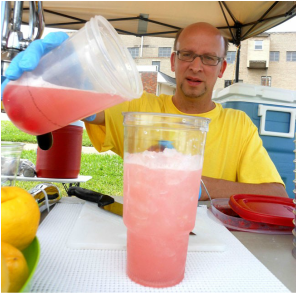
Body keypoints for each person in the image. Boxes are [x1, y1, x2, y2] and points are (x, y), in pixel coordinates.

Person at [4, 22, 288, 200]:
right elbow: (76, 98)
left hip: (216, 246)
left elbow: (275, 193)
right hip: (143, 230)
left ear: (222, 68)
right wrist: (54, 68)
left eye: (209, 58)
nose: (196, 66)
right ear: (174, 61)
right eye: (187, 54)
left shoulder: (238, 125)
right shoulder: (139, 108)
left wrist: (194, 184)